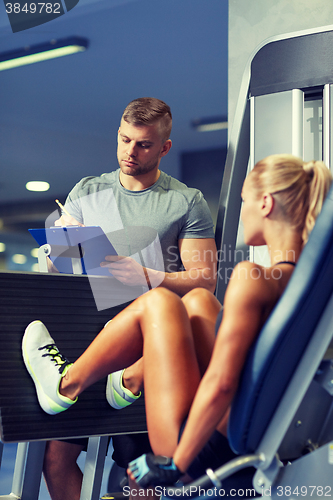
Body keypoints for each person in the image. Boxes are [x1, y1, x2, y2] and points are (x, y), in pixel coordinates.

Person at [23, 155, 331, 493]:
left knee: (159, 302)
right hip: (246, 432)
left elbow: (222, 382)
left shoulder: (252, 277)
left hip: (201, 448)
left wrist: (175, 463)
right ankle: (126, 378)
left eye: (244, 200)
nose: (242, 212)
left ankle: (66, 384)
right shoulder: (307, 287)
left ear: (266, 203)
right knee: (197, 302)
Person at [42, 97, 217, 500]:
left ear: (164, 148)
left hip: (146, 350)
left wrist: (147, 276)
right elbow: (58, 270)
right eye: (124, 141)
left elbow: (204, 282)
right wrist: (56, 248)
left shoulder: (186, 201)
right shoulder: (86, 191)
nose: (130, 152)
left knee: (139, 475)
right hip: (88, 339)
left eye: (142, 145)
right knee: (56, 458)